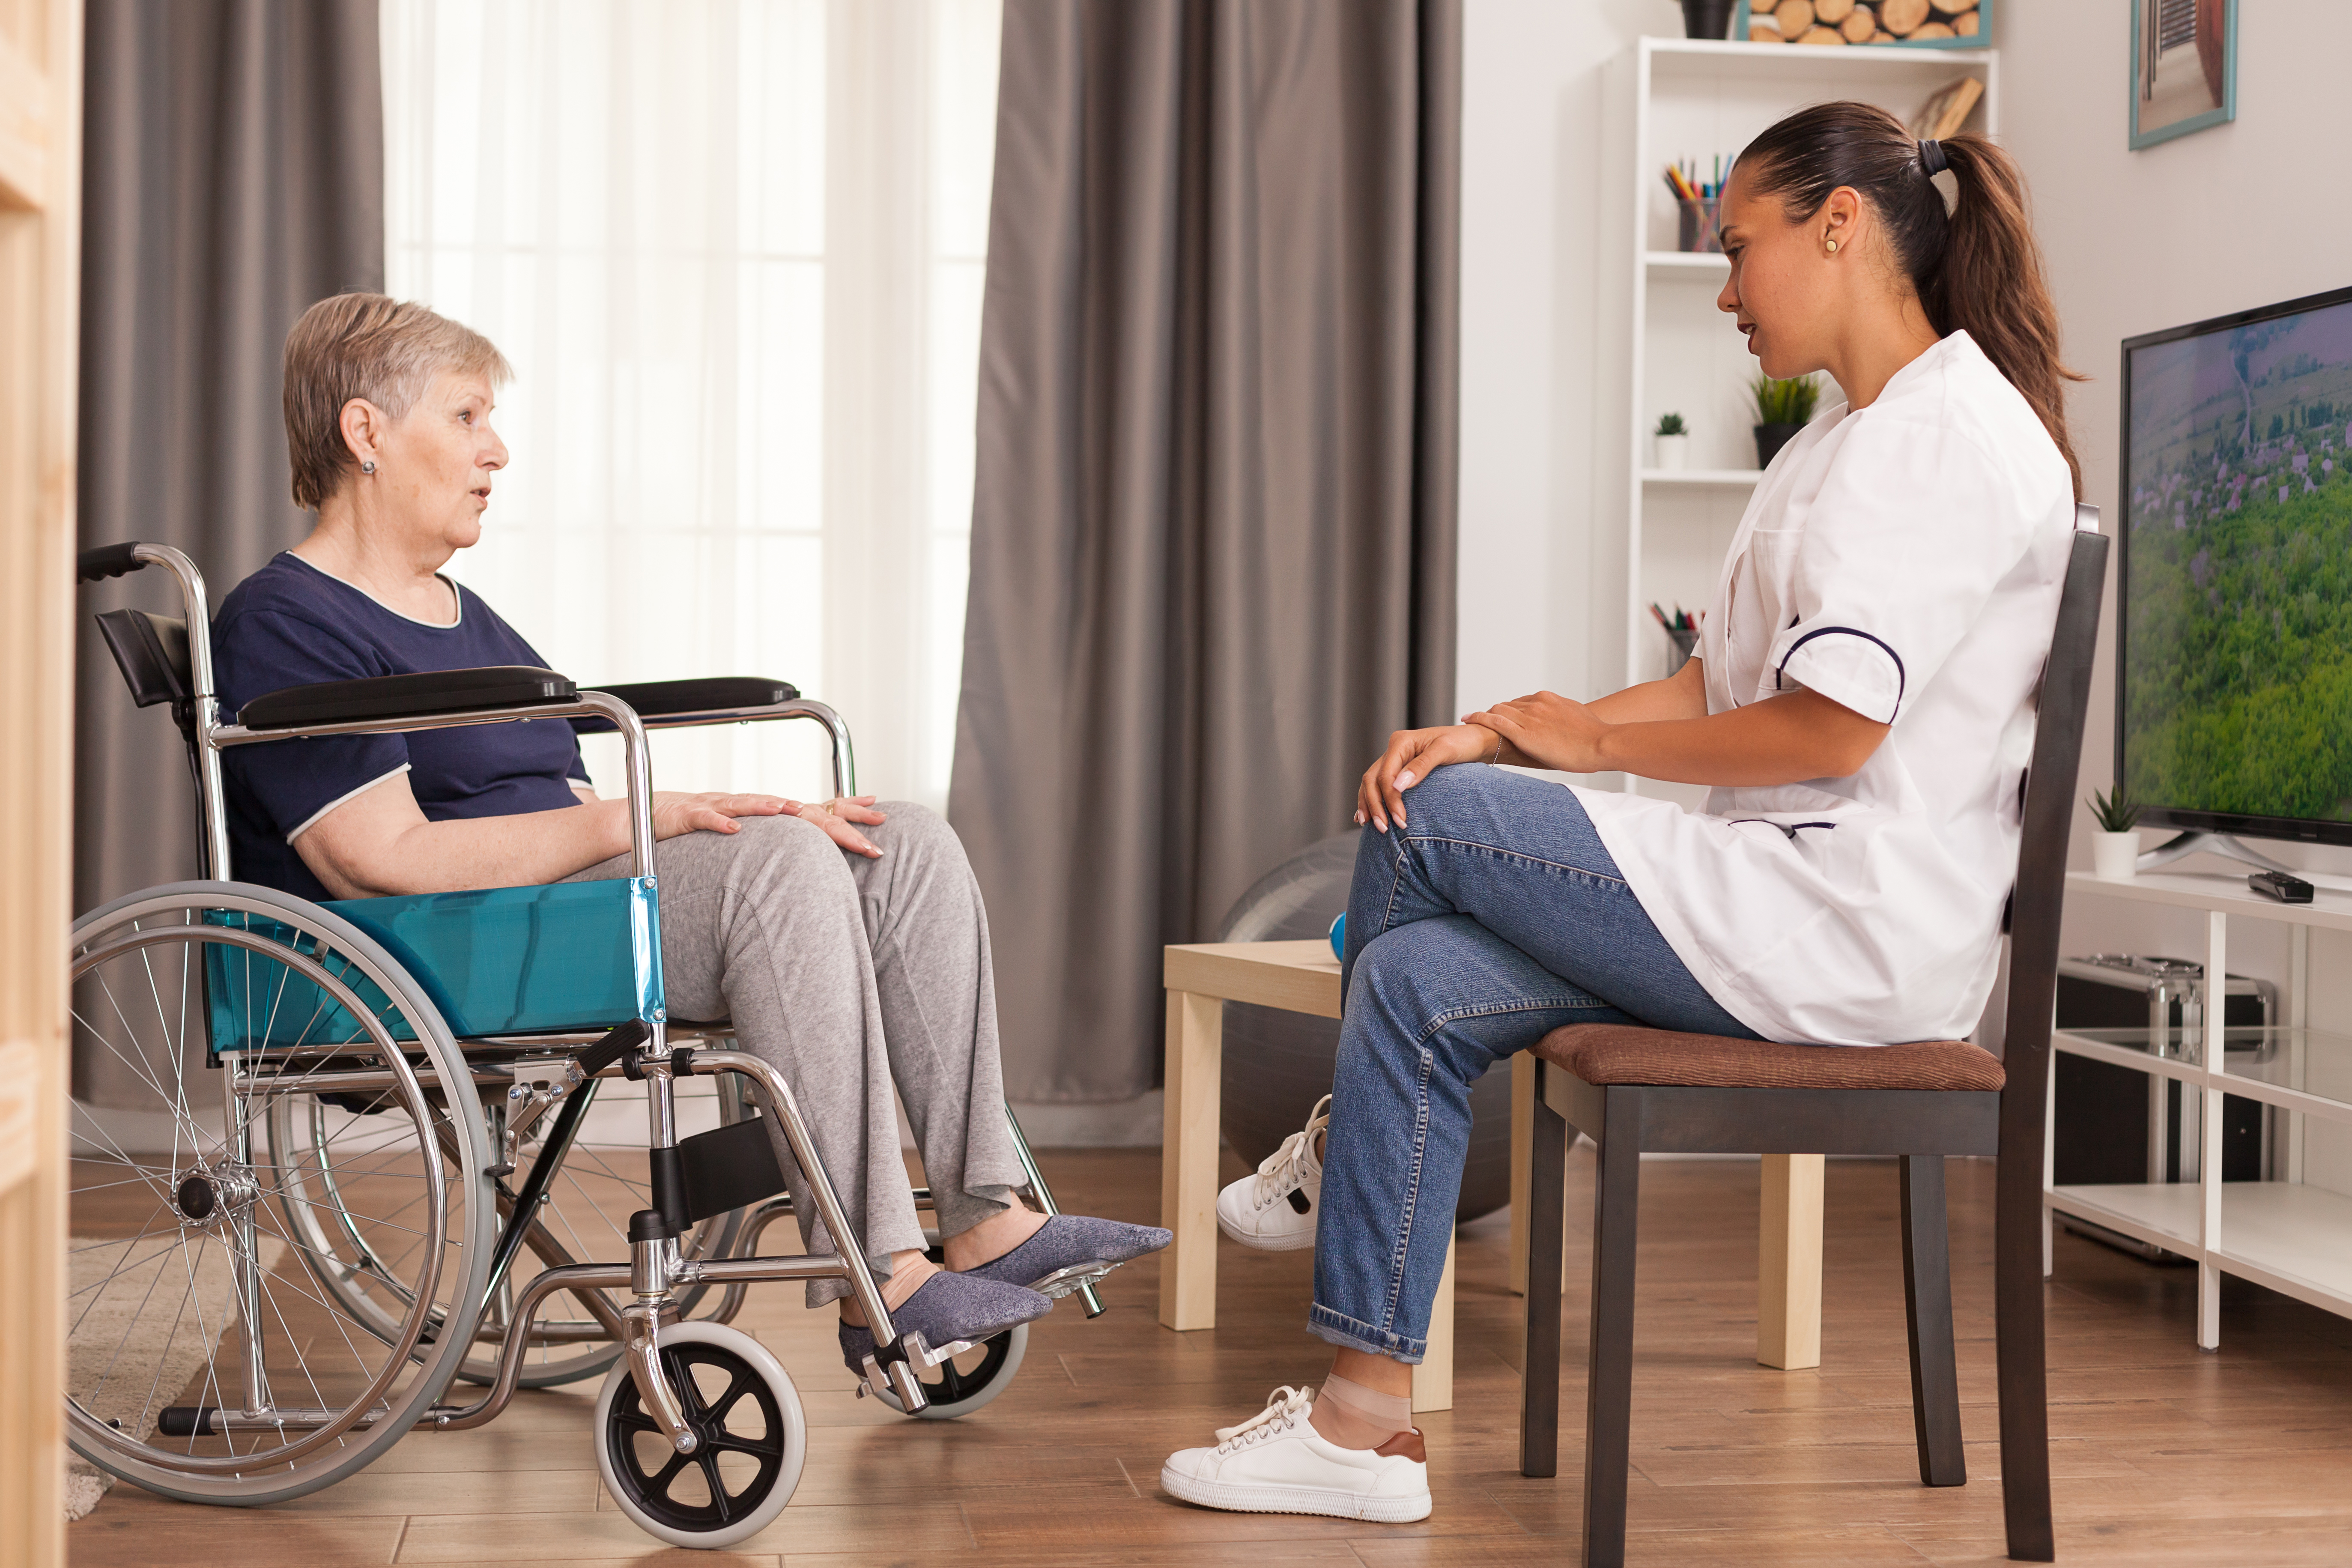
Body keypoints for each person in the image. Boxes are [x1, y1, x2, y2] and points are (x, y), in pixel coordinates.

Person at [1162, 102, 2081, 1522]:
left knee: (1425, 814)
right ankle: (1362, 1428)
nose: (1723, 289)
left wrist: (1573, 748)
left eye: (1740, 248)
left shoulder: (1950, 439)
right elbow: (1711, 681)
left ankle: (1346, 1143)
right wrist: (1506, 722)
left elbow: (1834, 728)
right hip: (1766, 897)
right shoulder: (1848, 435)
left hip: (1843, 933)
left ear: (1838, 225)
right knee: (1409, 971)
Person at [214, 292, 1167, 1374]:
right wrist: (656, 818)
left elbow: (564, 811)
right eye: (469, 416)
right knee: (783, 866)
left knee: (894, 840)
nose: (499, 448)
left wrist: (746, 816)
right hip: (438, 945)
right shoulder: (286, 622)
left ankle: (988, 1211)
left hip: (545, 911)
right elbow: (378, 857)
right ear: (366, 431)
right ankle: (883, 1278)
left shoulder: (458, 612)